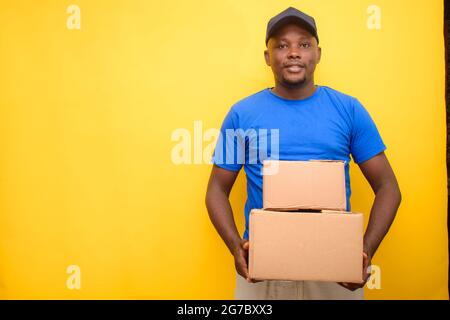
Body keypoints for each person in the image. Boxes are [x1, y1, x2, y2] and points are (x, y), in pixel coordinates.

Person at [205, 7, 402, 300]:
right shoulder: (242, 114)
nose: (294, 52)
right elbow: (216, 190)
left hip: (333, 271)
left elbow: (389, 188)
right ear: (267, 57)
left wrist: (363, 251)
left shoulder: (348, 110)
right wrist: (236, 246)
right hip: (263, 269)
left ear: (318, 53)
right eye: (282, 45)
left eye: (304, 44)